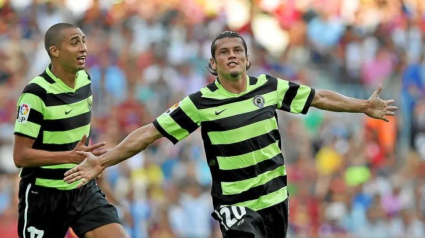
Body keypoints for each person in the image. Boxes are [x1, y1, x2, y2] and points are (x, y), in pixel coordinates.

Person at [64, 31, 398, 238]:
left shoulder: (270, 87)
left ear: (248, 58)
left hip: (276, 200)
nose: (231, 55)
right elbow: (149, 133)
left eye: (237, 50)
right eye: (223, 52)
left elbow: (320, 97)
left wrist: (363, 106)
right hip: (235, 203)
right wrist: (103, 162)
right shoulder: (200, 102)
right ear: (213, 64)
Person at [13, 23, 128, 238]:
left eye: (84, 41)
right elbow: (20, 156)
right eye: (74, 42)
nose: (83, 47)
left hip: (81, 187)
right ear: (54, 51)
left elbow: (79, 138)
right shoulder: (36, 94)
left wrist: (93, 168)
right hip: (43, 195)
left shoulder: (85, 80)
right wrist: (69, 157)